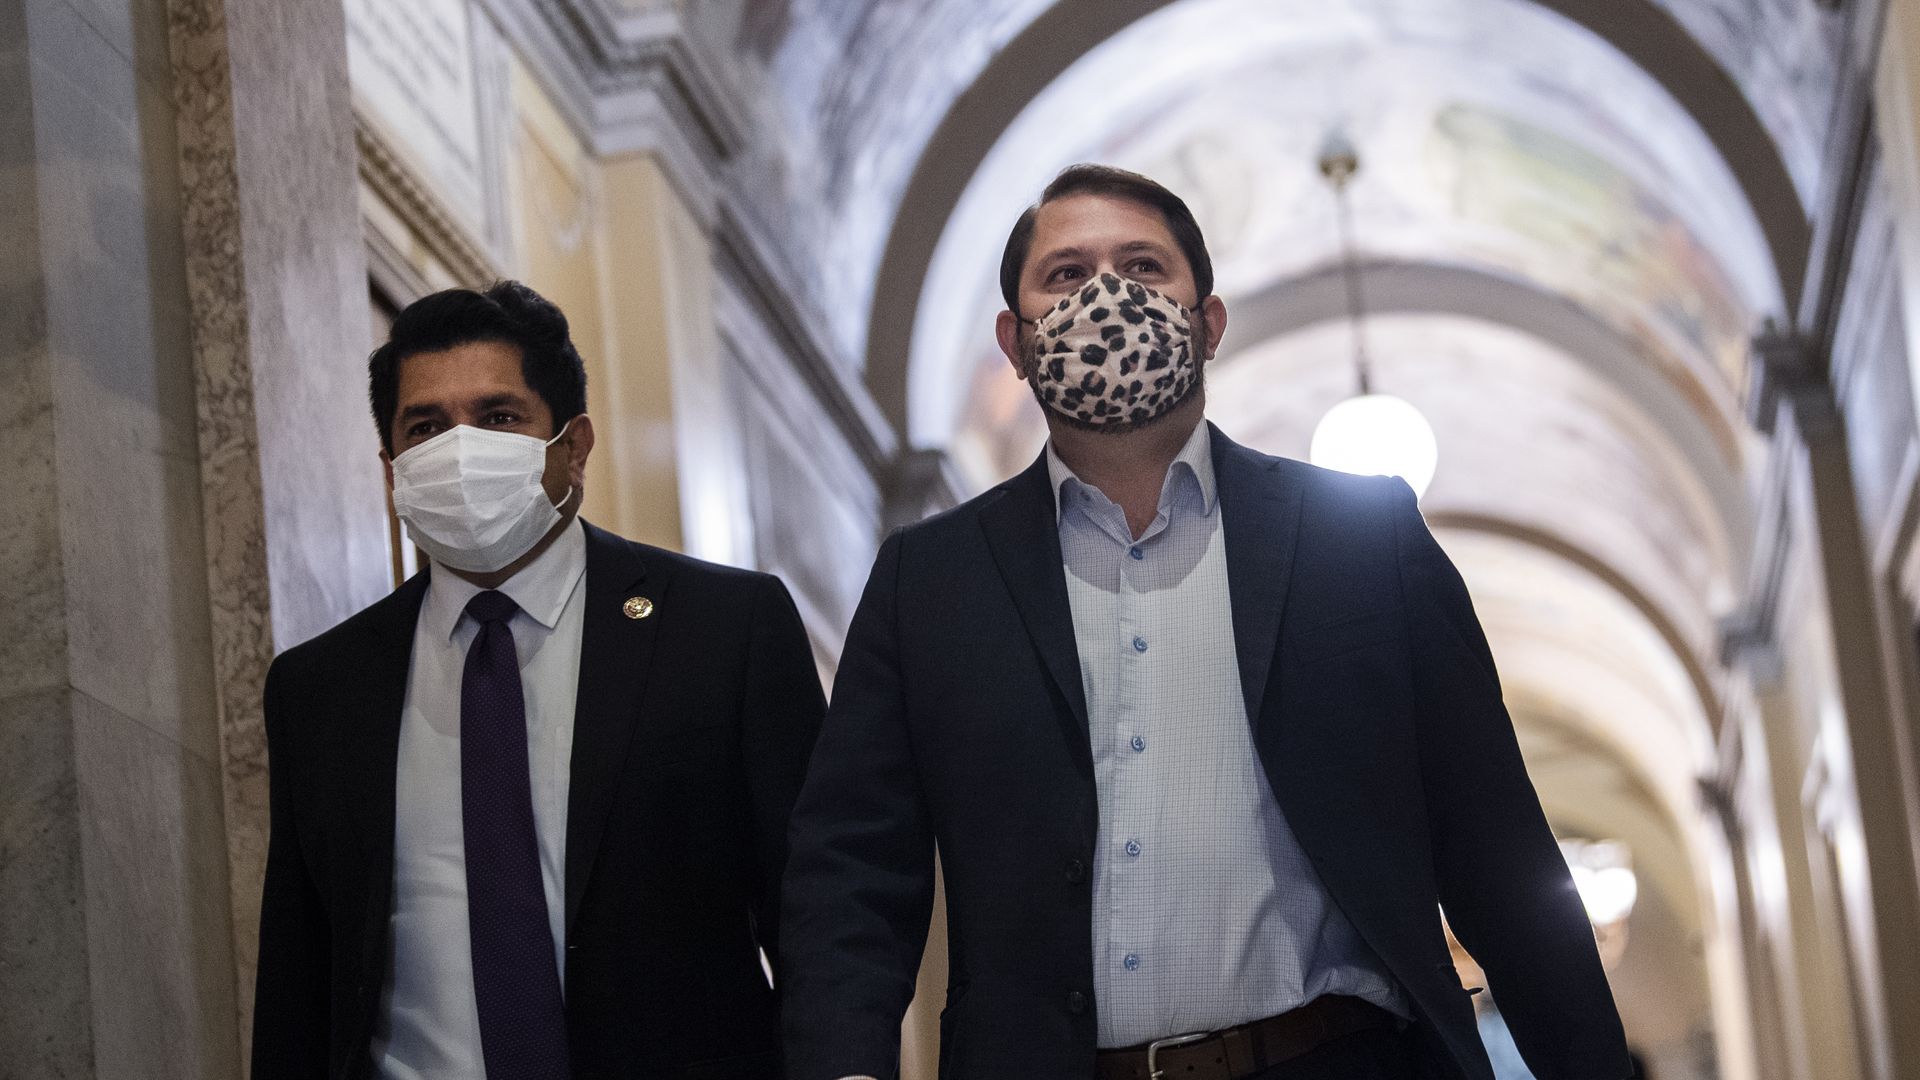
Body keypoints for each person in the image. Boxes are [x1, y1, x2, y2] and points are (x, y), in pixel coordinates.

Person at [780, 166, 1630, 1080]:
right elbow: (854, 873)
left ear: (1207, 322)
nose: (1107, 296)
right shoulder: (931, 581)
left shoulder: (1362, 541)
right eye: (1065, 276)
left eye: (1144, 267)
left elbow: (1494, 843)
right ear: (1015, 343)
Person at [252, 281, 825, 1080]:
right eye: (426, 427)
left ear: (574, 444)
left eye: (498, 417)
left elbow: (819, 918)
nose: (458, 451)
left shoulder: (726, 629)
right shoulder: (320, 689)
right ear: (392, 470)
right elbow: (300, 978)